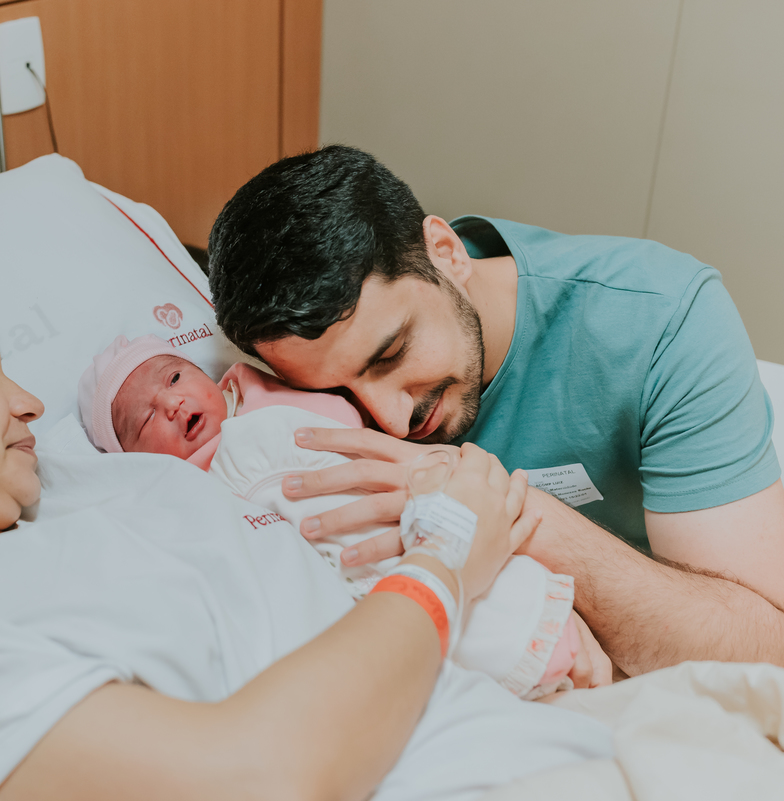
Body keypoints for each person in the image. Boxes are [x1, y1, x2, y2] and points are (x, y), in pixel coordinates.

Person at [0, 237, 611, 801]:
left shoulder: (99, 490)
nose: (27, 402)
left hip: (562, 750)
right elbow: (257, 779)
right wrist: (448, 557)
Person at [206, 145, 784, 678]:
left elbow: (760, 647)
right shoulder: (281, 401)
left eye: (392, 354)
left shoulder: (660, 320)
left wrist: (517, 515)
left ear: (446, 253)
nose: (391, 420)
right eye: (342, 393)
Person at [78, 333, 607, 697]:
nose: (169, 404)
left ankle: (538, 630)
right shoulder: (184, 489)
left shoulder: (265, 411)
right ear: (136, 460)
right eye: (144, 418)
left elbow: (349, 437)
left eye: (173, 379)